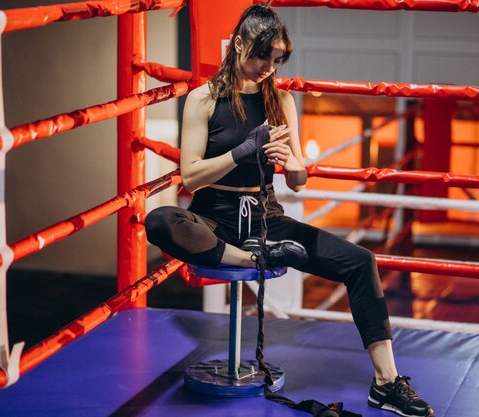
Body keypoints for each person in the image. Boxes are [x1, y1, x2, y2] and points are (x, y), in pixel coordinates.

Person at [145, 4, 433, 417]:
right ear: (240, 43)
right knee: (160, 220)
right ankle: (250, 258)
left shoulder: (281, 100)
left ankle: (387, 383)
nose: (269, 67)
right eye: (264, 56)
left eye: (278, 60)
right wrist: (242, 150)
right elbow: (190, 178)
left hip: (266, 217)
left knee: (360, 261)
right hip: (213, 215)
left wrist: (292, 163)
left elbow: (298, 180)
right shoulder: (203, 100)